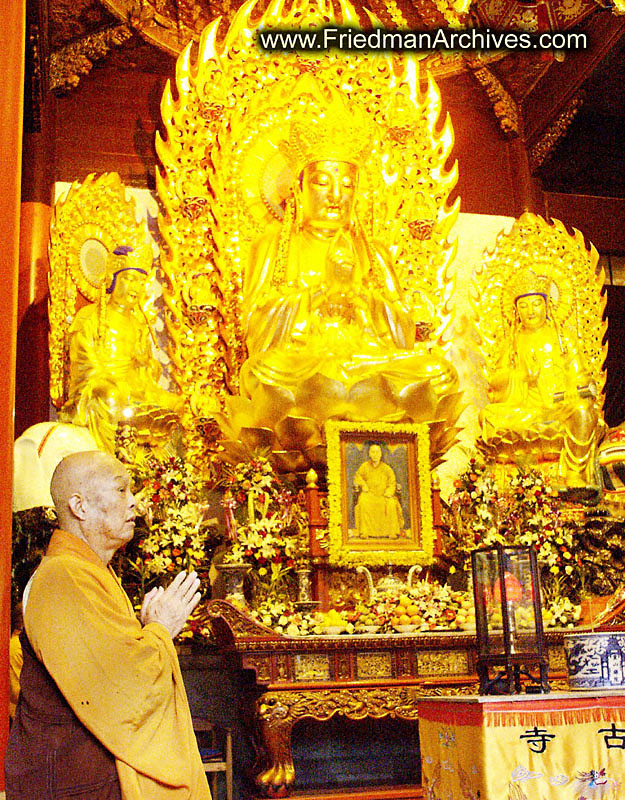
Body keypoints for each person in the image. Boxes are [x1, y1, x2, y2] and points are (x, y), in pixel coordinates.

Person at [239, 86, 458, 415]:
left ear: (357, 194)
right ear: (297, 189)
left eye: (346, 185)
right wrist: (314, 298)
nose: (335, 194)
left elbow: (402, 329)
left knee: (438, 373)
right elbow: (255, 325)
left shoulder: (374, 252)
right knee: (263, 372)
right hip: (302, 366)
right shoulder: (273, 245)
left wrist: (363, 300)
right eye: (322, 182)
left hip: (367, 359)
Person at [5, 451, 211, 800]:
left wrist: (147, 629)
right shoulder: (63, 575)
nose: (135, 503)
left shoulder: (88, 571)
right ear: (79, 506)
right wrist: (161, 630)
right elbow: (118, 684)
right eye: (121, 490)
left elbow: (108, 658)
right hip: (73, 778)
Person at [479, 269, 600, 488]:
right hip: (527, 410)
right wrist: (522, 377)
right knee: (488, 416)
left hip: (561, 407)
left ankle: (574, 472)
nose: (530, 311)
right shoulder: (512, 343)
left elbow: (581, 375)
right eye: (523, 306)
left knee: (583, 412)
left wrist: (577, 389)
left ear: (547, 305)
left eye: (535, 303)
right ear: (515, 311)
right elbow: (496, 385)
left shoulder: (562, 339)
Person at [62, 247, 181, 452]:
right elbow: (84, 363)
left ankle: (166, 469)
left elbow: (143, 373)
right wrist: (113, 381)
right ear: (112, 280)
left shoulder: (138, 325)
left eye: (141, 281)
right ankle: (111, 457)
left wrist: (147, 366)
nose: (136, 287)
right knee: (111, 395)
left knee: (177, 404)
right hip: (101, 387)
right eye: (129, 279)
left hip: (134, 387)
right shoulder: (91, 317)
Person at [353, 444, 404, 539]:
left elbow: (392, 482)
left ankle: (392, 532)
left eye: (377, 452)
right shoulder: (364, 466)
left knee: (391, 503)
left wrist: (389, 491)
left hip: (383, 495)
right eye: (373, 452)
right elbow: (358, 477)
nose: (375, 454)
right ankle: (365, 531)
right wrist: (363, 484)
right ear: (369, 454)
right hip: (370, 494)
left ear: (381, 454)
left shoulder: (387, 468)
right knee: (363, 501)